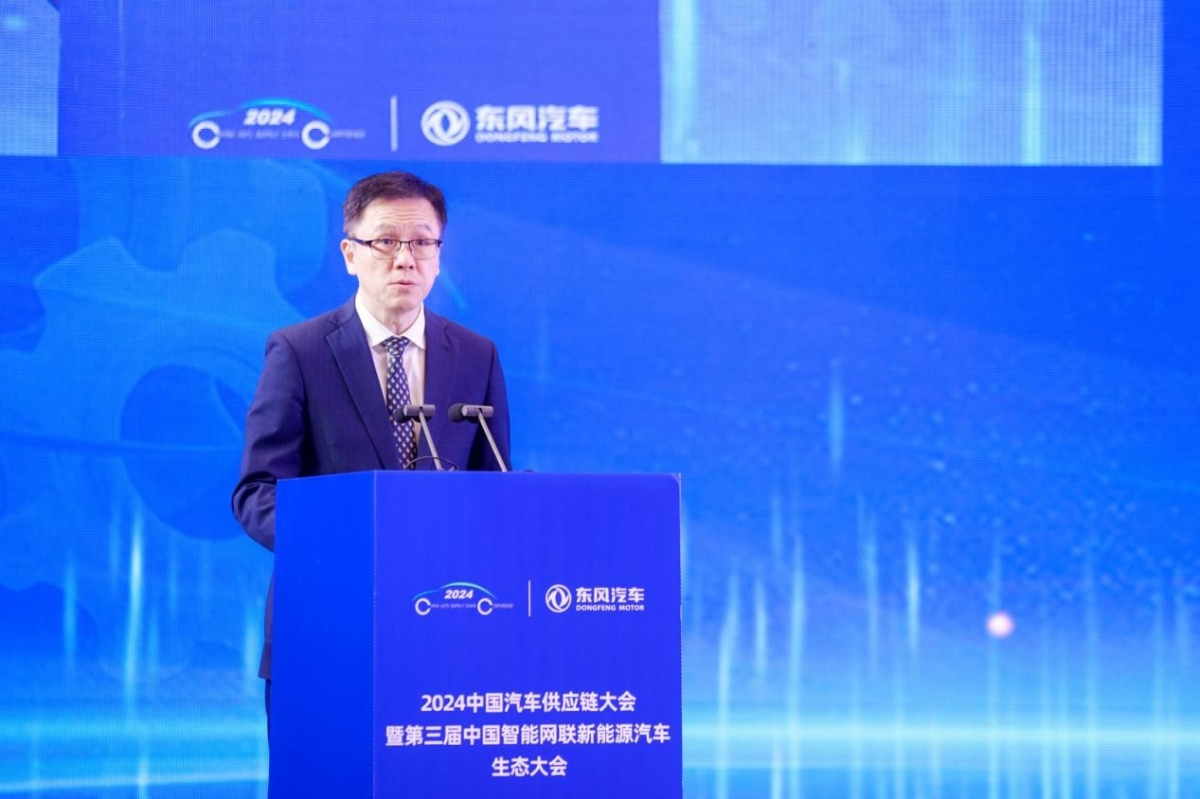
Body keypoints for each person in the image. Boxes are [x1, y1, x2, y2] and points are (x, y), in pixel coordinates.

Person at [231, 170, 511, 724]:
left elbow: (493, 492)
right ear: (350, 254)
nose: (405, 259)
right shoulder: (299, 352)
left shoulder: (477, 356)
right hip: (326, 623)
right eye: (385, 241)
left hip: (443, 629)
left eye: (423, 242)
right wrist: (349, 544)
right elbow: (256, 493)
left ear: (439, 254)